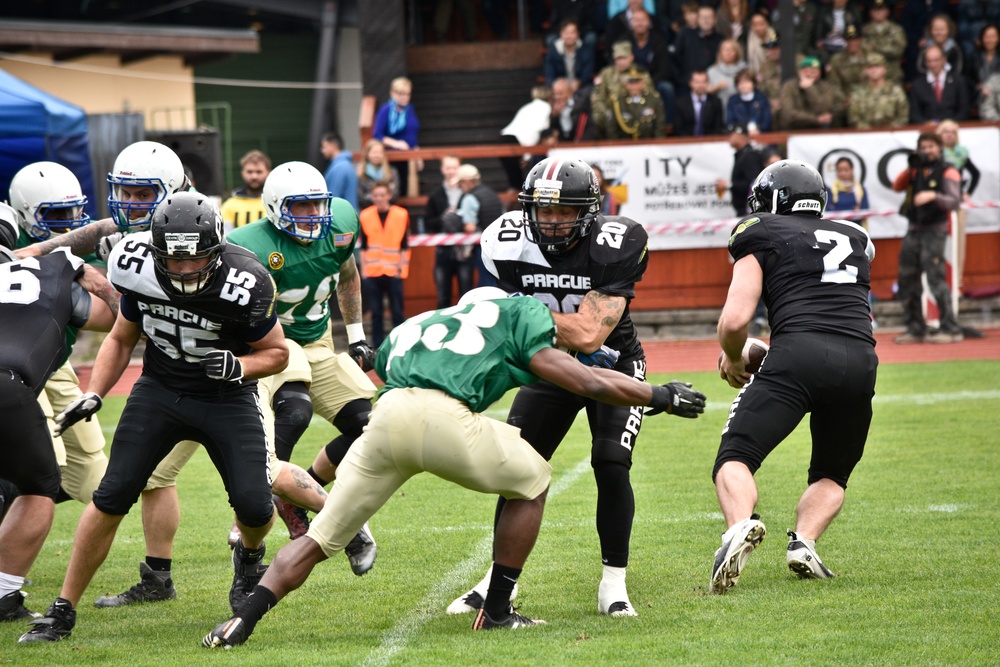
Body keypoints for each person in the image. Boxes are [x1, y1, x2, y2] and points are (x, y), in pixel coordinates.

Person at [202, 286, 707, 647]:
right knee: (534, 479)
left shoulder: (416, 325)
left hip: (386, 417)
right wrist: (659, 394)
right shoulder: (519, 312)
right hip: (445, 420)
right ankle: (498, 611)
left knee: (320, 541)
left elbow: (385, 368)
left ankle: (239, 624)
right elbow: (587, 383)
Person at [18, 192, 290, 643]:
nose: (183, 269)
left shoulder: (248, 280)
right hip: (160, 390)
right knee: (111, 495)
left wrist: (240, 365)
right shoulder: (136, 265)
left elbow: (278, 352)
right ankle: (62, 610)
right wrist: (94, 392)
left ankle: (249, 554)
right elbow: (123, 337)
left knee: (255, 506)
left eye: (194, 259)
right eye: (172, 260)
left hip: (227, 396)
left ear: (216, 250)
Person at [449, 158, 707, 618]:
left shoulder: (616, 242)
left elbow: (590, 335)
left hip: (613, 364)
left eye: (563, 211)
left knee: (611, 461)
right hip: (549, 366)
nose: (550, 221)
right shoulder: (505, 241)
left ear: (588, 210)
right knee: (520, 470)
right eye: (543, 211)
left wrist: (519, 314)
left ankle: (614, 583)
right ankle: (494, 583)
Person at [710, 159, 878, 595]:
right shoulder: (856, 236)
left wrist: (733, 357)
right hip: (860, 359)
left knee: (736, 456)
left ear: (770, 201)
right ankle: (804, 543)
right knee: (833, 472)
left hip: (798, 354)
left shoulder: (759, 229)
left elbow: (734, 321)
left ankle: (738, 529)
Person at [0, 203, 117, 623]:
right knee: (38, 488)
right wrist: (82, 270)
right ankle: (4, 596)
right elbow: (114, 317)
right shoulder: (47, 272)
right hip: (7, 388)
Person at [8, 161, 110, 507]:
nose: (69, 220)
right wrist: (66, 261)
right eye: (57, 213)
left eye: (74, 210)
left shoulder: (86, 248)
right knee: (41, 467)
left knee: (92, 479)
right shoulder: (9, 236)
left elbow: (115, 316)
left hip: (56, 362)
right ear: (24, 213)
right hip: (15, 367)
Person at [891, 132, 964, 344]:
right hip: (914, 228)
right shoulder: (915, 170)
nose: (927, 150)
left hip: (935, 230)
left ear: (939, 147)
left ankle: (950, 327)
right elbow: (897, 186)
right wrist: (910, 167)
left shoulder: (948, 171)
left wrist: (933, 196)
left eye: (931, 146)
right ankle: (915, 328)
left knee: (935, 278)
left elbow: (954, 202)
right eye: (923, 147)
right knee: (907, 279)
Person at [359, 181, 411, 347]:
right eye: (376, 195)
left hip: (393, 271)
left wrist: (401, 269)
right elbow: (364, 245)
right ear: (372, 197)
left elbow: (404, 244)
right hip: (373, 273)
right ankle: (378, 347)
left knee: (397, 312)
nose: (379, 198)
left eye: (382, 195)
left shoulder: (401, 214)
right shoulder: (365, 215)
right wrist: (364, 271)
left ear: (389, 195)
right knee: (376, 313)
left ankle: (400, 344)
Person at [424, 155, 474, 308]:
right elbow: (428, 223)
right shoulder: (436, 194)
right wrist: (444, 218)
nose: (451, 171)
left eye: (454, 167)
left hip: (465, 252)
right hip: (443, 252)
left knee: (466, 297)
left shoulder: (468, 192)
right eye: (448, 168)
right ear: (442, 170)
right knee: (443, 297)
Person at [454, 164, 503, 288]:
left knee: (486, 283)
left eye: (460, 183)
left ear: (467, 182)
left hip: (483, 246)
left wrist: (457, 222)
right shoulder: (491, 193)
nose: (460, 187)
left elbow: (470, 227)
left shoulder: (469, 198)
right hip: (500, 244)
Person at [499, 86, 554, 190]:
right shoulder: (546, 107)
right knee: (518, 183)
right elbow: (538, 131)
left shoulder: (527, 107)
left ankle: (511, 203)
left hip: (504, 138)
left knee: (515, 181)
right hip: (515, 142)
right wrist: (527, 155)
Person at [372, 76, 421, 194]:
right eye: (401, 94)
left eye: (407, 94)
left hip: (409, 158)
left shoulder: (410, 109)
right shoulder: (386, 110)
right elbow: (377, 134)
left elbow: (413, 133)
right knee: (394, 189)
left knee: (408, 189)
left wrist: (418, 155)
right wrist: (396, 143)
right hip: (392, 159)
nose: (404, 97)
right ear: (392, 93)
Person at [779, 56, 847, 129]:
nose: (809, 75)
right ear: (799, 72)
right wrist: (815, 119)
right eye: (805, 71)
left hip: (817, 128)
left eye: (813, 72)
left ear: (819, 73)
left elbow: (822, 109)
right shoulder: (789, 86)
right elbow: (788, 114)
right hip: (792, 128)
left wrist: (810, 88)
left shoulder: (825, 87)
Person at [600, 64, 667, 139]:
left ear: (643, 83)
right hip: (624, 146)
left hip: (649, 146)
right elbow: (612, 130)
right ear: (625, 84)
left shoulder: (653, 100)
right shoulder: (617, 101)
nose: (634, 86)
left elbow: (659, 128)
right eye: (630, 83)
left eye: (637, 82)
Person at [848, 52, 910, 129]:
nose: (873, 70)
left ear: (884, 69)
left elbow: (903, 116)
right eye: (870, 67)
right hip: (864, 136)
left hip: (892, 135)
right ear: (865, 70)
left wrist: (889, 130)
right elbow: (853, 118)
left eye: (877, 66)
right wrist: (870, 131)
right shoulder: (857, 93)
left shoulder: (895, 91)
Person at [909, 45, 970, 123]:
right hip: (927, 131)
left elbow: (964, 110)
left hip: (953, 129)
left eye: (936, 60)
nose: (933, 64)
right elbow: (914, 114)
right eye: (929, 61)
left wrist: (950, 124)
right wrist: (926, 124)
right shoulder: (917, 85)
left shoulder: (958, 81)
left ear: (944, 60)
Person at [714, 123, 764, 217]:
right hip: (747, 211)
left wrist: (729, 185)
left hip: (750, 212)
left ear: (741, 135)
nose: (728, 137)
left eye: (731, 134)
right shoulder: (743, 154)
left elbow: (755, 185)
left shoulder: (749, 155)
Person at [673, 5, 723, 95]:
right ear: (697, 19)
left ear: (715, 20)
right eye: (703, 17)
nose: (706, 20)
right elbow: (675, 59)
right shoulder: (685, 34)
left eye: (709, 17)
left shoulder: (721, 39)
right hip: (687, 84)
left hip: (712, 84)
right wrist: (682, 80)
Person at [220, 150, 271, 230]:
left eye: (259, 172)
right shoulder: (229, 206)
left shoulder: (275, 203)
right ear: (242, 173)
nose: (254, 176)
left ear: (268, 173)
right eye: (249, 172)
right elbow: (225, 237)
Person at [861, 0, 907, 85]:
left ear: (887, 11)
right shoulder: (864, 30)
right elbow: (861, 50)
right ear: (870, 12)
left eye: (881, 10)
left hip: (892, 74)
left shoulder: (896, 30)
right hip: (869, 74)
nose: (878, 13)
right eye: (875, 10)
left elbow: (898, 51)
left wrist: (875, 47)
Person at [543, 19, 596, 90]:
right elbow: (549, 72)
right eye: (566, 33)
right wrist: (556, 84)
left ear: (578, 34)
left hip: (580, 87)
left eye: (572, 33)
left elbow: (587, 72)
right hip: (559, 87)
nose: (569, 36)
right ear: (561, 34)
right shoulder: (553, 50)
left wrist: (579, 82)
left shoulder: (586, 50)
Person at [675, 70, 726, 136]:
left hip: (710, 142)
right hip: (686, 142)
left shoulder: (715, 102)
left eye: (703, 82)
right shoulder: (681, 103)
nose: (700, 85)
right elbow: (678, 128)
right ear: (690, 83)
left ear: (708, 83)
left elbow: (718, 127)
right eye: (697, 82)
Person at [812, 0, 864, 64]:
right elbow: (818, 29)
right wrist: (818, 40)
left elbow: (858, 30)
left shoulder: (853, 11)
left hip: (845, 44)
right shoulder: (824, 10)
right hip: (828, 44)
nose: (840, 1)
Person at [726, 68, 773, 134]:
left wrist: (759, 130)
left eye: (746, 82)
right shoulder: (733, 101)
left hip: (761, 135)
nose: (743, 86)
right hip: (740, 136)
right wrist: (744, 130)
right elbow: (729, 122)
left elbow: (767, 120)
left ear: (753, 83)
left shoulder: (762, 98)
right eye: (740, 83)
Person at [826, 24, 867, 98]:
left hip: (868, 99)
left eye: (855, 40)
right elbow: (833, 84)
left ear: (861, 40)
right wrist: (844, 98)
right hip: (845, 99)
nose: (852, 43)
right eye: (849, 40)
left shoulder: (871, 58)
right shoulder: (836, 60)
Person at [356, 138, 400, 208]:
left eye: (380, 152)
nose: (377, 155)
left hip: (388, 210)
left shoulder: (392, 172)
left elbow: (395, 194)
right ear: (367, 154)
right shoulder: (359, 173)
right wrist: (383, 194)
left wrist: (372, 195)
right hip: (367, 210)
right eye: (374, 152)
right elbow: (360, 197)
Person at [320, 132, 359, 211]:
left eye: (324, 147)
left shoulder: (339, 167)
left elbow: (333, 198)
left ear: (333, 146)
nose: (322, 150)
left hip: (341, 217)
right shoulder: (345, 165)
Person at [707, 38, 748, 110]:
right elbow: (705, 91)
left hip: (742, 108)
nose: (728, 53)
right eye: (726, 50)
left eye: (732, 50)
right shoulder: (712, 71)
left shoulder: (745, 69)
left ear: (737, 52)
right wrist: (717, 87)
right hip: (719, 108)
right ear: (720, 52)